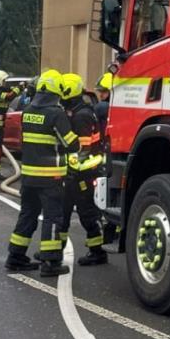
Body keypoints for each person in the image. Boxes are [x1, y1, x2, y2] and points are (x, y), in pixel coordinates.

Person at [6, 68, 79, 276]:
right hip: (50, 177)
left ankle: (15, 257)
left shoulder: (28, 111)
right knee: (52, 218)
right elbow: (71, 144)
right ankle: (51, 262)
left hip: (28, 177)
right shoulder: (56, 114)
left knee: (27, 215)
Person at [59, 73, 108, 266]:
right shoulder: (79, 110)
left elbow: (82, 149)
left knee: (85, 212)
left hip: (83, 172)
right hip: (78, 171)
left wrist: (72, 171)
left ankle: (97, 252)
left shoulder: (81, 115)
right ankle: (56, 250)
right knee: (64, 211)